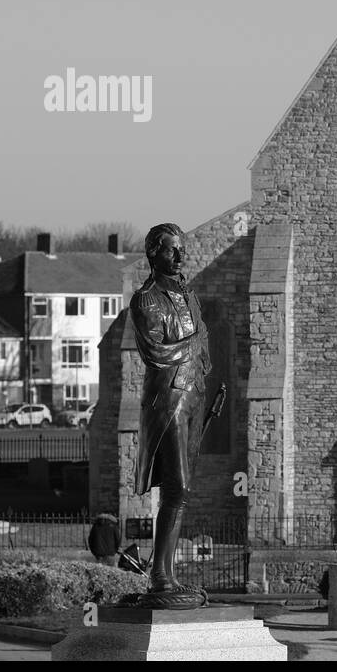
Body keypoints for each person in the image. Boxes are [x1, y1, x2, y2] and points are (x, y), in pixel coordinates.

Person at [131, 222, 213, 603]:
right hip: (167, 399)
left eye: (181, 249)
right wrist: (194, 345)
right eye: (169, 250)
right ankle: (160, 575)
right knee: (176, 487)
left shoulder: (190, 295)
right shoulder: (145, 299)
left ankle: (166, 573)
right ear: (153, 254)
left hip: (193, 394)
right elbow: (154, 352)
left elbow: (205, 342)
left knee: (182, 491)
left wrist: (203, 367)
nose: (179, 256)